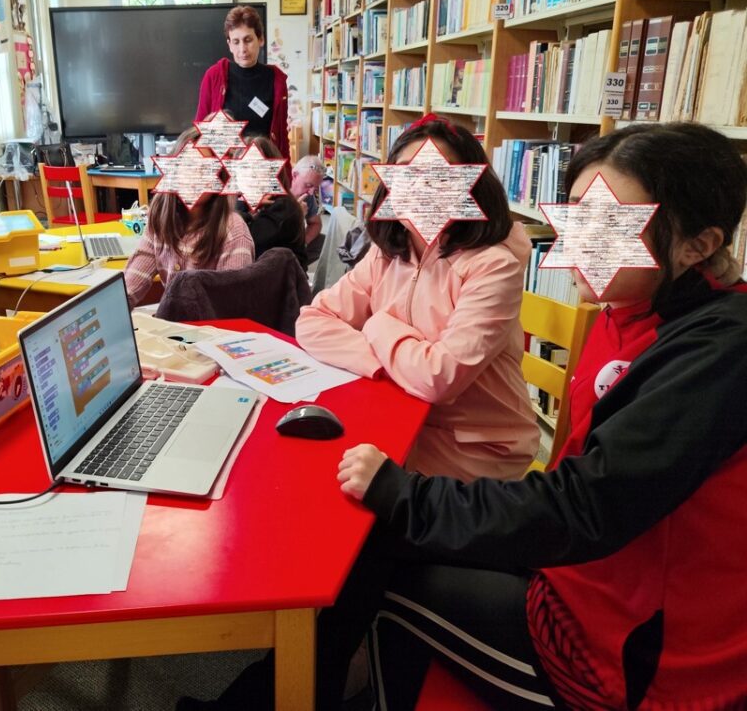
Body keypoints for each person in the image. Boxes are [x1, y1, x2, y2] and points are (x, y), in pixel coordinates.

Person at [329, 121, 747, 711]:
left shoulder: (719, 350)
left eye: (607, 223)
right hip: (583, 571)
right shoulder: (627, 310)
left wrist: (407, 495)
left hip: (625, 659)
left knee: (378, 572)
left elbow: (588, 504)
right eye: (575, 216)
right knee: (381, 544)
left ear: (698, 245)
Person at [296, 115, 539, 482]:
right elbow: (312, 322)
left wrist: (377, 326)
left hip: (476, 448)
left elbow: (440, 377)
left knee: (335, 490)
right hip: (401, 416)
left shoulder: (494, 266)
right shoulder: (388, 252)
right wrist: (387, 367)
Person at [123, 128, 254, 308]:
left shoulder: (233, 230)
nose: (196, 178)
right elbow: (130, 286)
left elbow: (231, 307)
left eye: (206, 170)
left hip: (212, 323)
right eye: (189, 166)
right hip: (173, 321)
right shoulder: (160, 218)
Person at [196, 5, 290, 159]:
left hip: (261, 167)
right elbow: (200, 132)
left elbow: (281, 136)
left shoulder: (276, 80)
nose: (242, 49)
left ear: (260, 39)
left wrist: (286, 172)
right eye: (236, 41)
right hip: (224, 168)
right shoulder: (214, 76)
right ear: (229, 44)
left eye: (248, 40)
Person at [233, 136, 307, 269]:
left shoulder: (284, 206)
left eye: (259, 167)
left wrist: (242, 208)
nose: (251, 174)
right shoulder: (242, 202)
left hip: (282, 279)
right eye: (244, 167)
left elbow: (244, 238)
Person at [290, 154, 325, 262]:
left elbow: (316, 223)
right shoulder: (276, 188)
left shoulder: (308, 194)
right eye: (308, 185)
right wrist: (294, 214)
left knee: (323, 242)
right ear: (294, 175)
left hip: (293, 243)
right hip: (271, 244)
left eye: (315, 188)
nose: (311, 192)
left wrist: (303, 244)